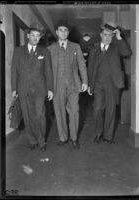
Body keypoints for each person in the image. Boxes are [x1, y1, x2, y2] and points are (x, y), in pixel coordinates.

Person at [11, 23, 53, 151]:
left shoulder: (44, 51)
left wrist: (50, 89)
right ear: (28, 35)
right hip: (23, 88)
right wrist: (14, 88)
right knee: (28, 116)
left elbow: (48, 71)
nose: (35, 38)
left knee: (40, 114)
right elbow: (14, 71)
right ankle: (32, 140)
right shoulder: (18, 51)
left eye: (38, 36)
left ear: (40, 38)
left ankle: (41, 141)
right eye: (33, 35)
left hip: (40, 89)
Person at [87, 22, 132, 144]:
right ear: (101, 35)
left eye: (110, 36)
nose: (107, 38)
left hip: (113, 84)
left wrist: (118, 37)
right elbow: (90, 68)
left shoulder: (116, 48)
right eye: (105, 35)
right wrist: (89, 85)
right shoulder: (94, 49)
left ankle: (108, 136)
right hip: (97, 84)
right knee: (97, 109)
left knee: (111, 110)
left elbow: (127, 53)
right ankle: (98, 134)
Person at [48, 20, 88, 149]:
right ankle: (63, 137)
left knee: (74, 111)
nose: (63, 32)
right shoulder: (50, 49)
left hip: (73, 84)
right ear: (56, 32)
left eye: (65, 30)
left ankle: (74, 138)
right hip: (56, 85)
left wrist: (85, 81)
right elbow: (47, 70)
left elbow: (82, 65)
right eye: (61, 30)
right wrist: (48, 88)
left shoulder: (75, 46)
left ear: (68, 32)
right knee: (59, 112)